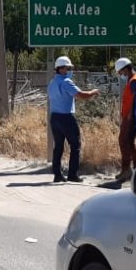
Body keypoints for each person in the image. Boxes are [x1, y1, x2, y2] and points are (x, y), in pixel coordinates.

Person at [48, 55, 99, 183]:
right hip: (66, 117)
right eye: (67, 68)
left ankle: (57, 174)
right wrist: (93, 92)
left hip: (54, 118)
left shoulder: (52, 82)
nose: (70, 70)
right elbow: (82, 95)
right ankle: (72, 174)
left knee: (58, 146)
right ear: (60, 69)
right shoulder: (66, 82)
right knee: (75, 145)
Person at [114, 57, 136, 182]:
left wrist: (131, 113)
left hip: (131, 117)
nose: (121, 75)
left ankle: (127, 170)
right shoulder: (133, 80)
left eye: (121, 72)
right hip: (130, 116)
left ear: (126, 69)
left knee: (124, 141)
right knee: (129, 142)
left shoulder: (134, 81)